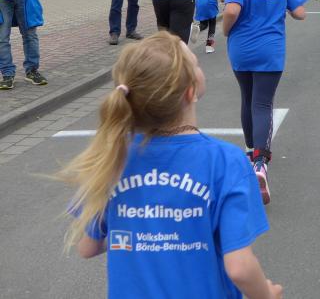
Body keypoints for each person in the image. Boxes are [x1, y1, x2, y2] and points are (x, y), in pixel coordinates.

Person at [57, 32, 283, 299]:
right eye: (195, 63)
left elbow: (87, 247)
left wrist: (141, 234)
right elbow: (240, 268)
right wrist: (266, 294)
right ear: (191, 92)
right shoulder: (226, 161)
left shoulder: (111, 158)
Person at [223, 0, 306, 204]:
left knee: (247, 99)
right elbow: (300, 13)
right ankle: (260, 162)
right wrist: (282, 7)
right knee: (262, 104)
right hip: (270, 50)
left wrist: (225, 30)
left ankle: (251, 153)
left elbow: (231, 11)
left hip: (242, 48)